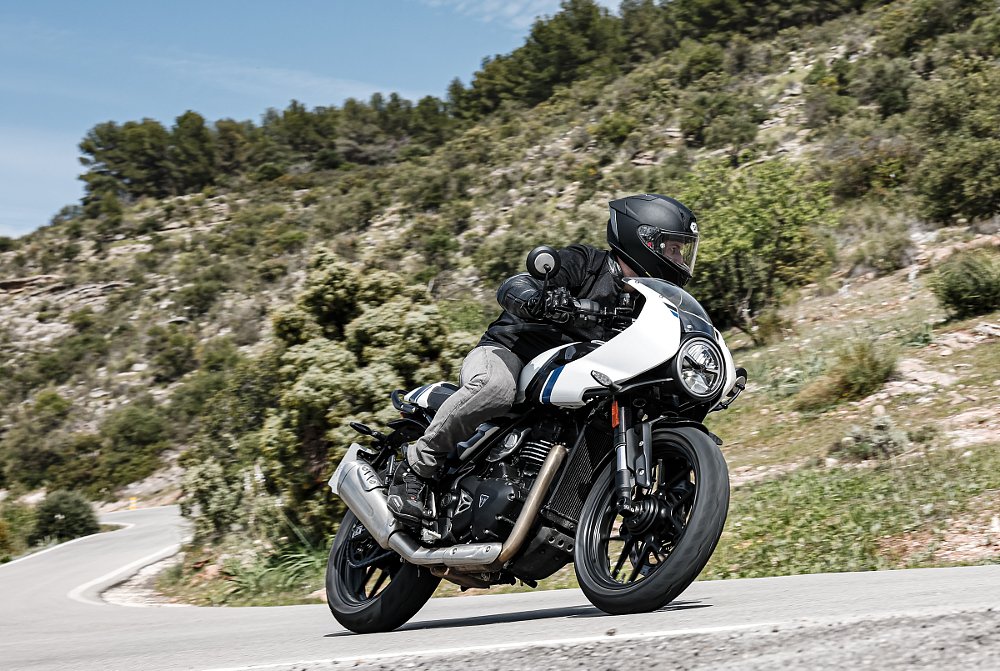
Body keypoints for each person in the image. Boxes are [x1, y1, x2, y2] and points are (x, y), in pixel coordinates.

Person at [387, 194, 700, 524]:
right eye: (673, 248)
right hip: (511, 353)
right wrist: (536, 297)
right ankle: (416, 468)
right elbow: (516, 285)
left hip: (576, 377)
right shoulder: (586, 264)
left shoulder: (652, 308)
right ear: (644, 240)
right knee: (496, 387)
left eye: (682, 250)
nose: (680, 258)